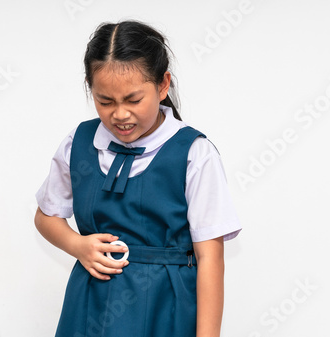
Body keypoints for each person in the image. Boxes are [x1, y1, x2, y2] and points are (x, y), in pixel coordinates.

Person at [34, 20, 242, 337]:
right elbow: (46, 216)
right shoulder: (79, 142)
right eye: (105, 101)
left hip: (166, 305)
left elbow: (210, 257)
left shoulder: (194, 153)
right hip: (91, 301)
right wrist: (77, 245)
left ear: (162, 85)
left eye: (133, 100)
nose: (119, 114)